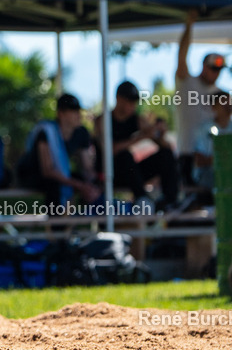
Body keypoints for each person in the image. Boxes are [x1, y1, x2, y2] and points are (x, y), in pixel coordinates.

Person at [96, 80, 180, 210]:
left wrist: (160, 134)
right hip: (110, 175)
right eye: (129, 101)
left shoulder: (137, 119)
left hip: (133, 175)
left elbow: (166, 147)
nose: (133, 105)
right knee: (125, 156)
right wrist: (142, 137)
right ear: (118, 99)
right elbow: (110, 150)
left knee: (166, 154)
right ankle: (142, 199)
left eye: (134, 102)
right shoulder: (103, 120)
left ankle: (170, 201)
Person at [20, 94, 101, 206]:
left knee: (90, 184)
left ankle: (92, 213)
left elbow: (87, 167)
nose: (78, 114)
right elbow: (47, 171)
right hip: (34, 175)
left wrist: (90, 184)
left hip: (59, 175)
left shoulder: (81, 133)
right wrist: (79, 185)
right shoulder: (46, 132)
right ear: (61, 114)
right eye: (73, 111)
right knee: (55, 185)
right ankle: (60, 216)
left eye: (78, 110)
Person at [176, 11, 228, 185]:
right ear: (204, 66)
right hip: (188, 153)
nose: (216, 73)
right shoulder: (187, 82)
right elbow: (181, 57)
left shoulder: (221, 94)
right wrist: (189, 25)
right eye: (213, 69)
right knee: (192, 195)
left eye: (219, 70)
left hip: (213, 157)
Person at [192, 91, 232, 192]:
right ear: (214, 106)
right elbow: (200, 160)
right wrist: (223, 159)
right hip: (210, 175)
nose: (228, 105)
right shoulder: (204, 129)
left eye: (230, 101)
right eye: (223, 102)